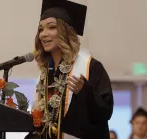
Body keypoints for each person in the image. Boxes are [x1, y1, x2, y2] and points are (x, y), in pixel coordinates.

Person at [29, 0, 114, 139]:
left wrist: (85, 92)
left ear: (65, 32)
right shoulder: (44, 73)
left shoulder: (90, 66)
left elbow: (105, 112)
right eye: (41, 29)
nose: (43, 34)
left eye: (51, 27)